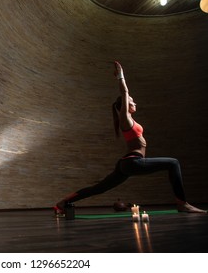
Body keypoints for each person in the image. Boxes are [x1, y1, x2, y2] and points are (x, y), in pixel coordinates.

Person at [54, 61, 206, 215]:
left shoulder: (130, 120)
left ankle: (63, 202)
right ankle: (182, 203)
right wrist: (121, 76)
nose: (134, 102)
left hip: (126, 164)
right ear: (126, 105)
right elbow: (124, 93)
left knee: (99, 188)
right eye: (132, 101)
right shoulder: (125, 119)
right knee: (173, 163)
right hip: (133, 162)